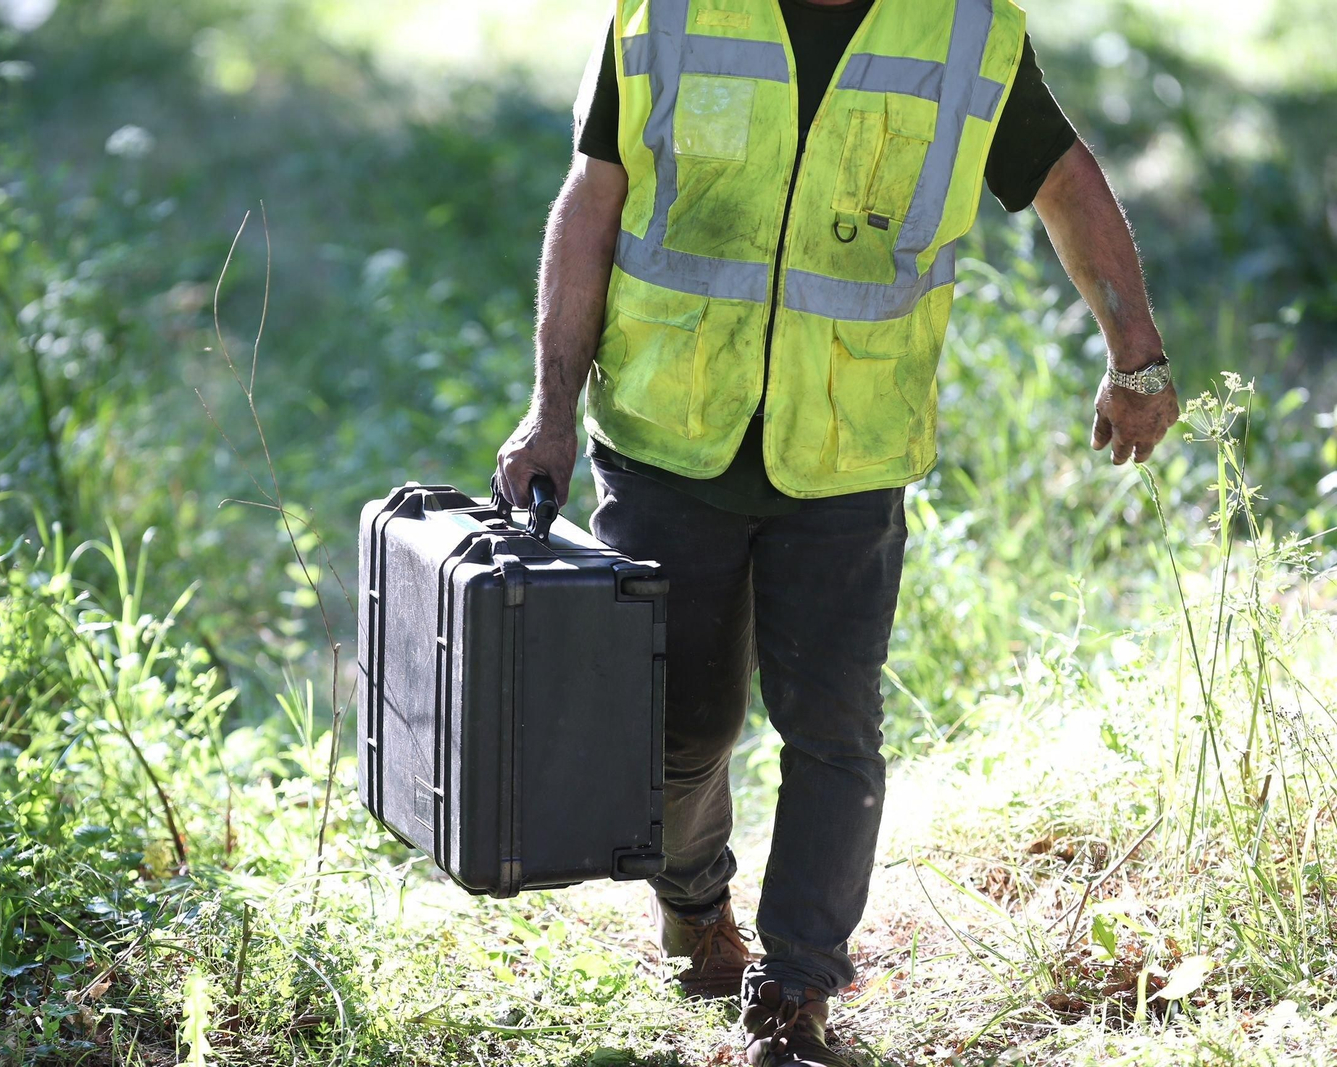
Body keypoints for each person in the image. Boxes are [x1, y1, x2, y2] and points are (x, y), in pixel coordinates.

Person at [494, 1, 1181, 1064]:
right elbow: (596, 194)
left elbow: (1062, 178)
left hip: (848, 447)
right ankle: (691, 901)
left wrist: (1134, 349)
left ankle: (796, 989)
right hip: (668, 430)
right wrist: (547, 406)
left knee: (833, 731)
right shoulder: (664, 10)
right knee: (681, 727)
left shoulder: (965, 30)